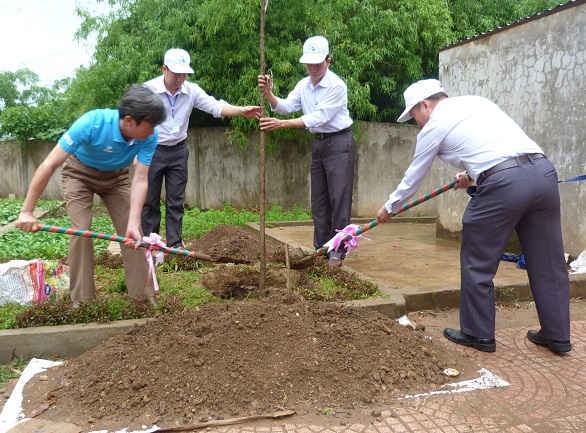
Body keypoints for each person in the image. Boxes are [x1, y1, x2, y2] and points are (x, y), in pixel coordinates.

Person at [377, 78, 571, 354]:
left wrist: (390, 206)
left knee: (477, 257)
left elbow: (414, 175)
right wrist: (472, 175)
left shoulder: (434, 125)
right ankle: (558, 335)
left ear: (425, 105)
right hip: (542, 173)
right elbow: (497, 147)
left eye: (414, 115)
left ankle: (478, 333)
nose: (415, 121)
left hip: (504, 183)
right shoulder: (476, 102)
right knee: (548, 261)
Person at [16, 84, 167, 305]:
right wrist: (27, 211)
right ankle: (83, 301)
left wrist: (134, 222)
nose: (153, 131)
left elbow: (141, 178)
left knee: (133, 235)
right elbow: (49, 164)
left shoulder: (149, 137)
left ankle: (142, 298)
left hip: (116, 177)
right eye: (150, 125)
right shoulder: (92, 123)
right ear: (129, 121)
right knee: (81, 231)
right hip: (79, 174)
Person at [142, 48, 261, 248]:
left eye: (184, 74)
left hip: (178, 150)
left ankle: (175, 245)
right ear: (164, 69)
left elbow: (215, 107)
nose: (181, 78)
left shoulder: (191, 91)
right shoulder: (148, 90)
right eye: (176, 73)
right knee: (149, 200)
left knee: (176, 201)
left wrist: (241, 111)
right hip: (152, 149)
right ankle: (149, 244)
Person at [257, 35, 355, 268]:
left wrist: (282, 125)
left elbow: (319, 117)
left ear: (328, 61)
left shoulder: (336, 86)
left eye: (317, 64)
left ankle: (338, 250)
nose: (312, 68)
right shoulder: (304, 85)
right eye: (309, 64)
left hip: (339, 143)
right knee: (319, 199)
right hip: (319, 144)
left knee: (338, 198)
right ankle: (321, 247)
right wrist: (269, 92)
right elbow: (286, 106)